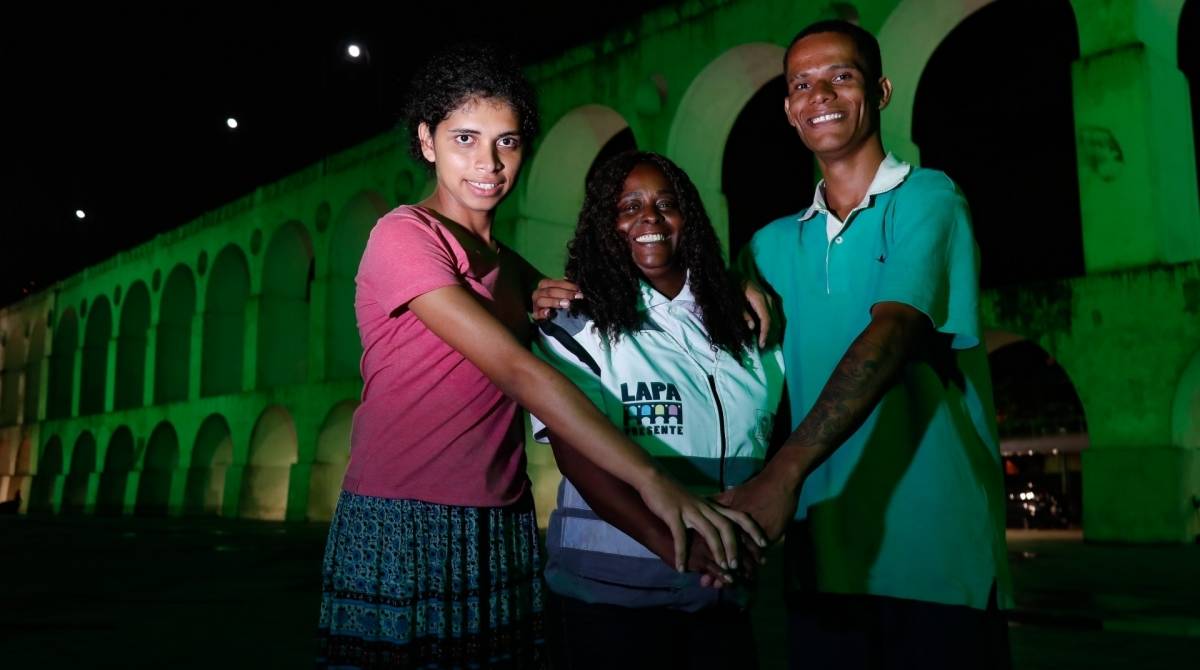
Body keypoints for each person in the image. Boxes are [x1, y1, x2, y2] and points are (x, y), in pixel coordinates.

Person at [317, 44, 761, 669]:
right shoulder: (404, 235)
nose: (488, 162)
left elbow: (625, 284)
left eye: (507, 142)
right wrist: (654, 481)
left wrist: (738, 279)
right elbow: (520, 371)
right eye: (465, 138)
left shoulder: (513, 267)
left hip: (501, 516)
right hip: (405, 514)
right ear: (426, 140)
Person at [716, 20, 1014, 669]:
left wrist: (782, 473)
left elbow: (893, 330)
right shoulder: (768, 246)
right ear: (790, 110)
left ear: (879, 91)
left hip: (937, 565)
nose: (819, 93)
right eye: (801, 83)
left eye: (840, 76)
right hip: (824, 563)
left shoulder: (929, 198)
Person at [532, 152, 784, 669]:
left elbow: (767, 444)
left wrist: (738, 545)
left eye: (665, 203)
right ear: (606, 224)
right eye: (628, 207)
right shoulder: (573, 322)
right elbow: (577, 456)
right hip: (606, 606)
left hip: (721, 596)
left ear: (688, 217)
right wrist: (679, 549)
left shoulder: (745, 323)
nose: (650, 217)